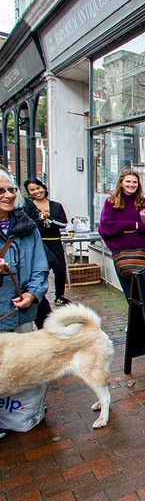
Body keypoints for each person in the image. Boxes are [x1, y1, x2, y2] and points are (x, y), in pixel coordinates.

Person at [0, 171, 49, 435]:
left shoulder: (27, 228)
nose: (8, 195)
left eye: (11, 190)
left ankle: (23, 414)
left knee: (25, 366)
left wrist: (33, 293)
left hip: (21, 313)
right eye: (1, 191)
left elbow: (41, 268)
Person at [97, 168, 145, 300]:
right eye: (128, 181)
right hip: (122, 256)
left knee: (143, 296)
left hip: (143, 256)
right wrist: (132, 224)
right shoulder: (111, 203)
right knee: (130, 296)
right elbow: (106, 228)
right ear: (121, 183)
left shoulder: (144, 203)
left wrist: (138, 226)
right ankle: (134, 321)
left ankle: (144, 321)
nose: (131, 185)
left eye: (135, 182)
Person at [24, 179, 69, 307]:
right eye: (32, 190)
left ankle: (59, 296)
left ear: (43, 187)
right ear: (29, 193)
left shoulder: (56, 205)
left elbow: (64, 223)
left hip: (55, 241)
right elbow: (28, 224)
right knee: (40, 270)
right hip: (38, 244)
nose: (37, 192)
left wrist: (50, 219)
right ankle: (37, 295)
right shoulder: (28, 207)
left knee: (60, 270)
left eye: (38, 188)